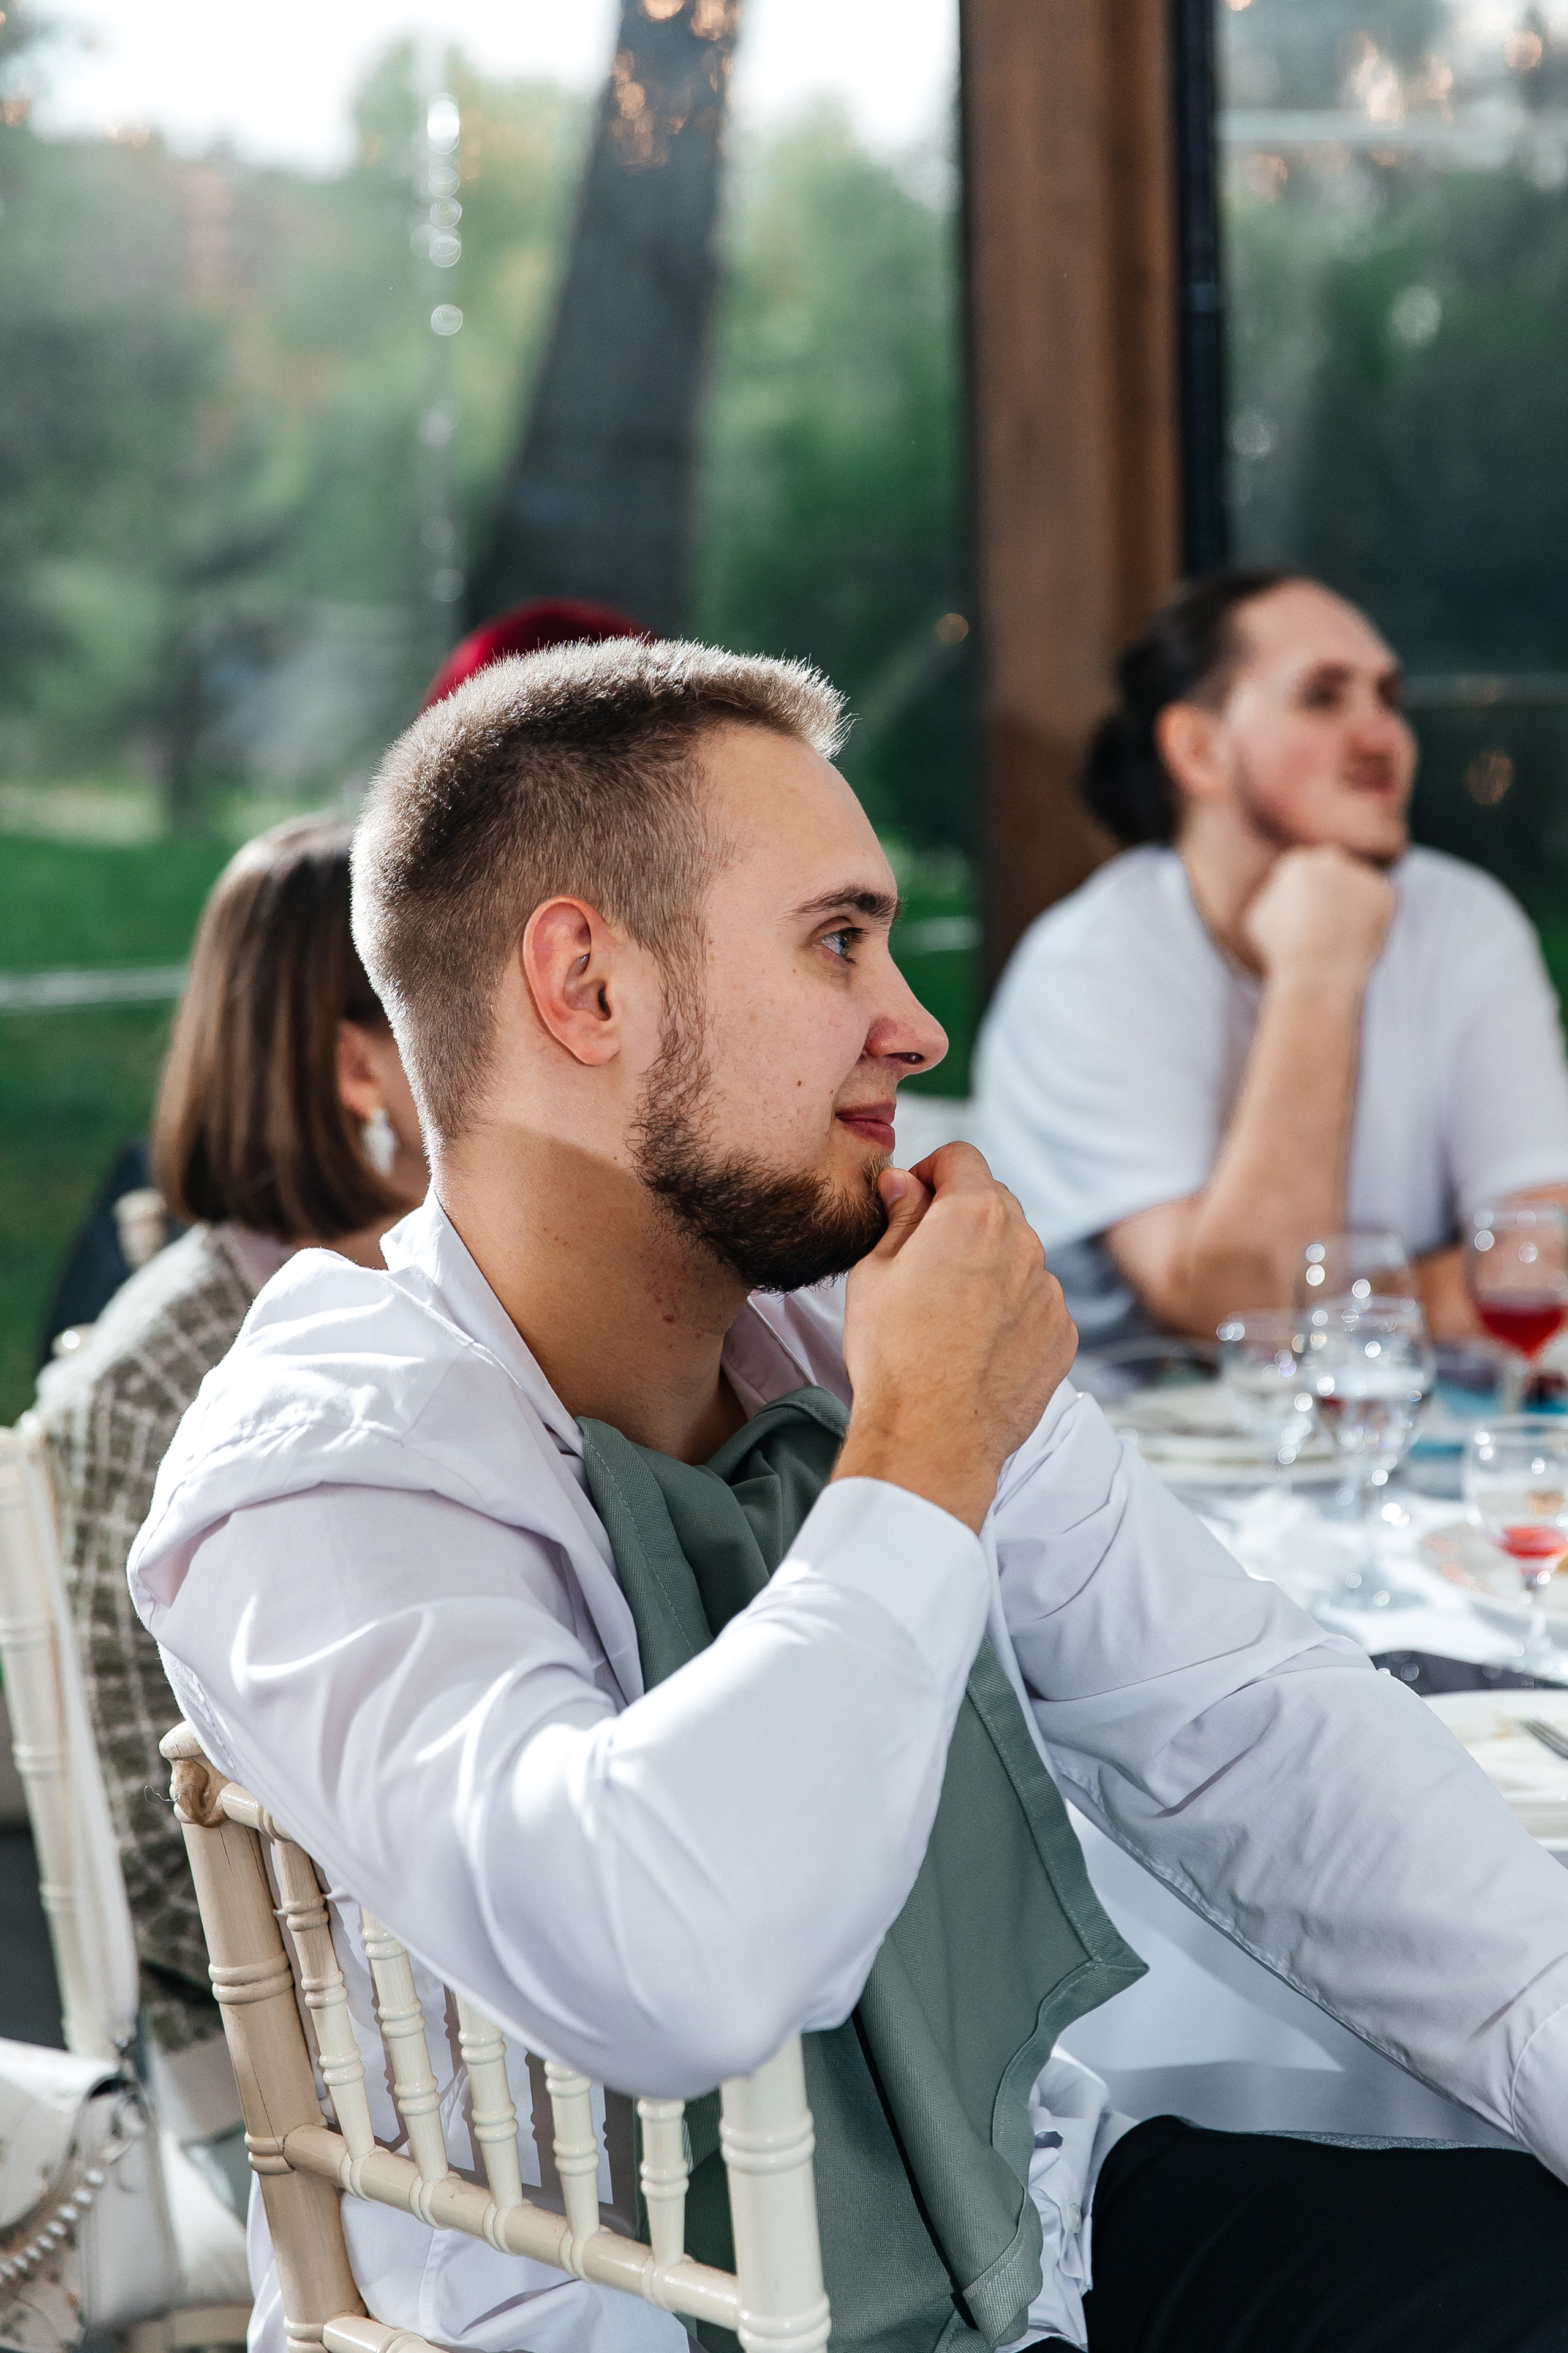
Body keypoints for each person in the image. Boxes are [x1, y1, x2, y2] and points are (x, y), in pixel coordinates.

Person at [130, 640, 1568, 2353]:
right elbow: (669, 1962)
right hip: (633, 2318)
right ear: (586, 987)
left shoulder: (836, 1316)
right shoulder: (315, 1463)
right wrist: (926, 1447)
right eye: (838, 940)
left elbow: (1247, 1726)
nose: (917, 1023)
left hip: (1037, 2237)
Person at [35, 815, 425, 2177]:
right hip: (287, 2053)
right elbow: (161, 1858)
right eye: (460, 986)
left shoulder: (472, 1301)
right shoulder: (162, 1377)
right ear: (354, 1060)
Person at [974, 569, 1568, 1345]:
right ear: (1198, 750)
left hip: (1404, 1436)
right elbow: (1243, 1318)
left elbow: (1542, 1259)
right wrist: (1318, 975)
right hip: (1131, 1449)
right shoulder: (1086, 969)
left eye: (1388, 698)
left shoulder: (1466, 920)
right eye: (1324, 696)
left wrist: (1331, 1302)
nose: (1382, 734)